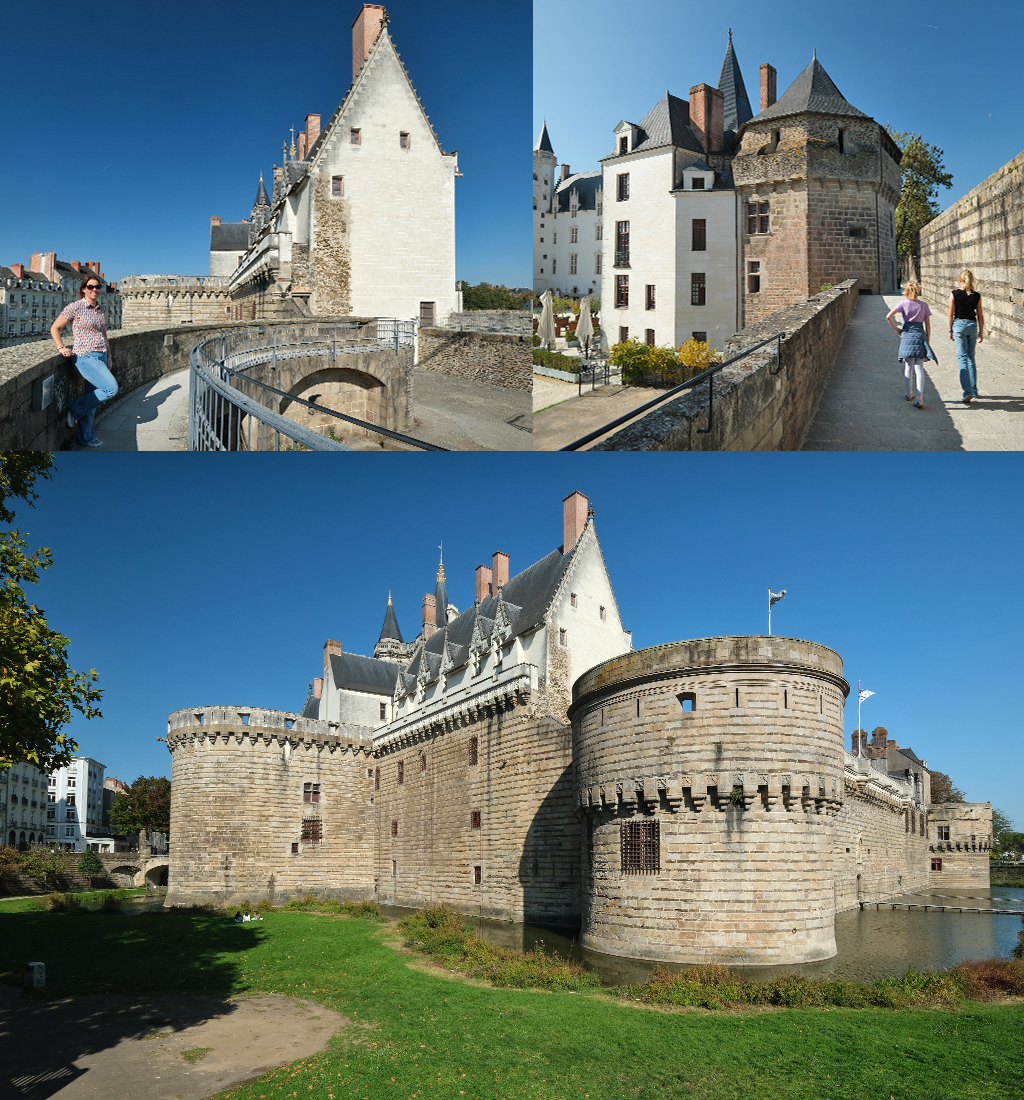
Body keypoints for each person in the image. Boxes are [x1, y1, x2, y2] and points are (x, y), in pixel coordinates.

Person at [50, 275, 118, 447]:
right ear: (83, 289)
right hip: (84, 357)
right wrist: (61, 347)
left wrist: (109, 356)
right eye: (90, 287)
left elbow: (103, 334)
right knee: (111, 389)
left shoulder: (101, 309)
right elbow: (55, 328)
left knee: (92, 398)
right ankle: (74, 408)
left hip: (101, 356)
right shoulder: (75, 307)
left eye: (97, 287)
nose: (94, 290)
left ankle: (85, 437)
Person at [885, 281, 936, 409]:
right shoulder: (924, 305)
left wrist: (897, 329)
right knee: (919, 368)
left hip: (907, 335)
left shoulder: (903, 304)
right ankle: (920, 397)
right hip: (919, 336)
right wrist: (927, 341)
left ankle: (909, 393)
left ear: (906, 291)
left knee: (908, 366)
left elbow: (888, 316)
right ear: (918, 291)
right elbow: (928, 326)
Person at [948, 268, 985, 404]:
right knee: (971, 358)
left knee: (962, 358)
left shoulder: (954, 294)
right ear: (972, 280)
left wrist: (950, 330)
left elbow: (951, 314)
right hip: (972, 326)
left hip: (959, 326)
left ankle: (967, 391)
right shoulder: (977, 295)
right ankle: (974, 390)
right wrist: (981, 332)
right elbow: (980, 315)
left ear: (960, 280)